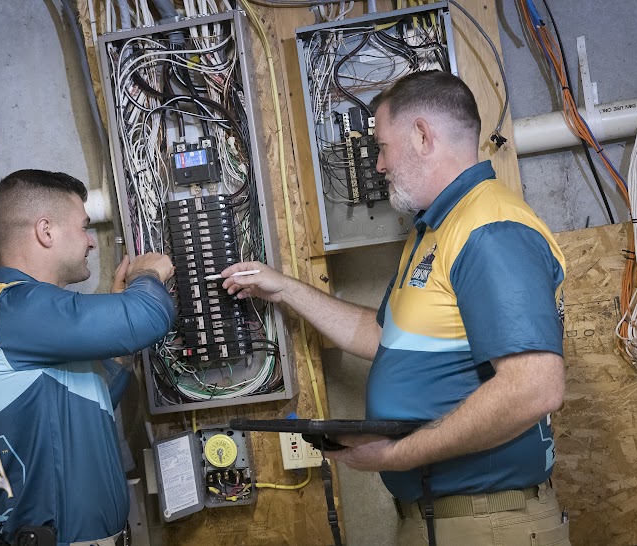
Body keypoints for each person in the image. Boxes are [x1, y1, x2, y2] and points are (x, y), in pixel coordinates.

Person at [220, 71, 570, 546]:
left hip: (488, 523)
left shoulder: (490, 231)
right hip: (437, 519)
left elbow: (535, 389)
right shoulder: (433, 232)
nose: (378, 165)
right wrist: (283, 289)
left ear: (423, 135)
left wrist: (396, 455)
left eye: (382, 146)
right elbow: (383, 339)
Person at [0, 170, 175, 546]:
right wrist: (148, 276)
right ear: (46, 231)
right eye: (84, 227)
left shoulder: (25, 318)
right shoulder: (12, 308)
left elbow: (88, 399)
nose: (91, 242)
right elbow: (147, 316)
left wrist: (118, 345)